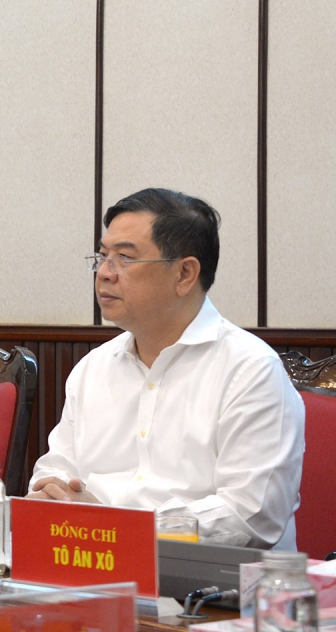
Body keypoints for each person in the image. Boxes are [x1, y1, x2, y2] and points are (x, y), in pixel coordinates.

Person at [28, 188, 305, 549]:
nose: (104, 274)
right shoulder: (93, 368)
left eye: (124, 258)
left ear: (184, 274)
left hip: (208, 580)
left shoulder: (250, 370)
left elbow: (250, 515)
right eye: (102, 256)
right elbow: (56, 468)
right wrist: (53, 493)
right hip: (92, 562)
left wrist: (119, 528)